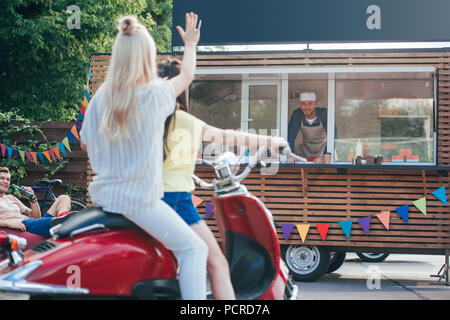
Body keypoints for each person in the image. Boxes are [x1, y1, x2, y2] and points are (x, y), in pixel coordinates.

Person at [79, 13, 208, 300]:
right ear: (147, 56)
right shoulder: (155, 95)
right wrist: (190, 44)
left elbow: (85, 144)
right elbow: (186, 76)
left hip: (103, 197)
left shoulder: (101, 96)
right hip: (139, 201)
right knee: (195, 249)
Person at [158, 59, 290, 300]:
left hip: (151, 201)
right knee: (217, 262)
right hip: (177, 201)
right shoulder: (184, 121)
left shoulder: (148, 121)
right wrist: (270, 141)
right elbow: (227, 136)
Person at [0, 167, 72, 237]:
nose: (6, 181)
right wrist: (8, 223)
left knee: (64, 198)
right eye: (2, 178)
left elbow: (36, 217)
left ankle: (61, 219)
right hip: (23, 225)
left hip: (31, 223)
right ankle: (62, 222)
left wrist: (32, 198)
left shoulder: (11, 198)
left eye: (8, 179)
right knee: (58, 221)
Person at [287, 92, 328, 164]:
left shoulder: (323, 114)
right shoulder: (297, 114)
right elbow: (290, 137)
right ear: (300, 104)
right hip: (306, 152)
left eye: (310, 103)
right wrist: (291, 154)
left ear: (315, 103)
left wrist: (324, 155)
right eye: (303, 104)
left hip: (322, 151)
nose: (306, 107)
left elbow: (333, 135)